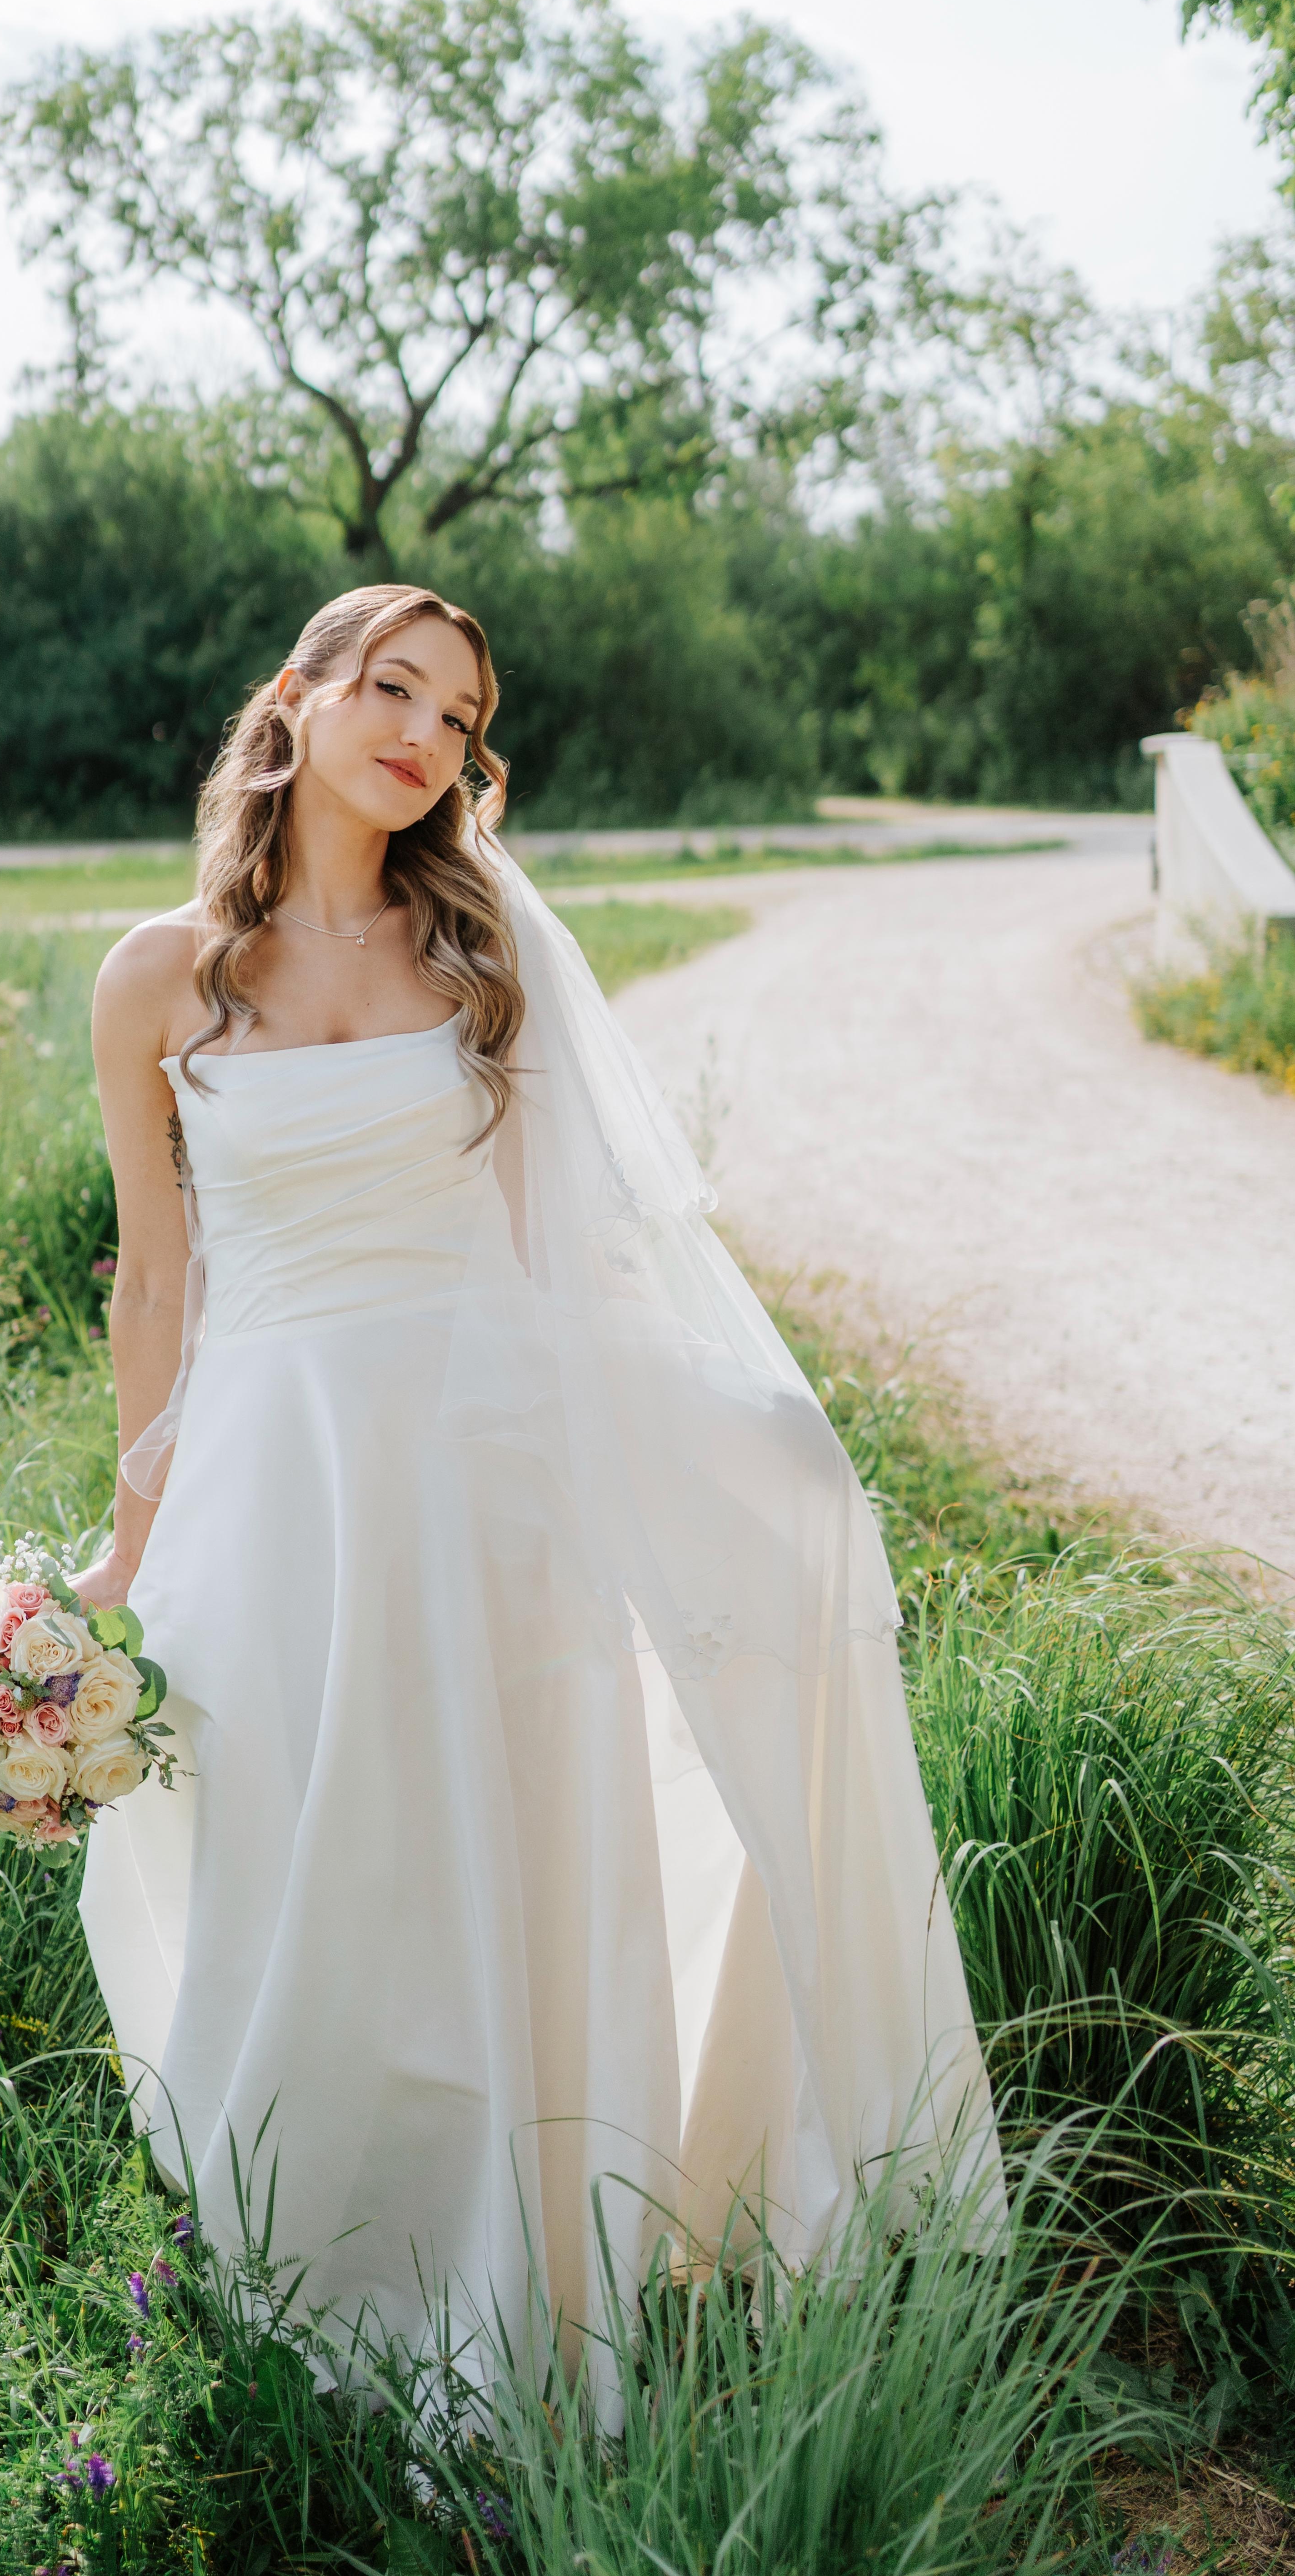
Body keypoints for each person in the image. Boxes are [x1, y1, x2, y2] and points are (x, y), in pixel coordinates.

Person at [73, 582, 999, 2368]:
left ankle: (525, 2254)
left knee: (490, 1849)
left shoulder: (472, 943)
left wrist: (720, 1444)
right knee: (307, 1849)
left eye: (458, 710)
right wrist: (130, 1550)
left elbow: (560, 1257)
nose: (422, 732)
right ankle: (318, 2244)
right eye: (392, 686)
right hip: (277, 1470)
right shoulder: (158, 976)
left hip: (473, 1455)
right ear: (301, 695)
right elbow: (159, 1279)